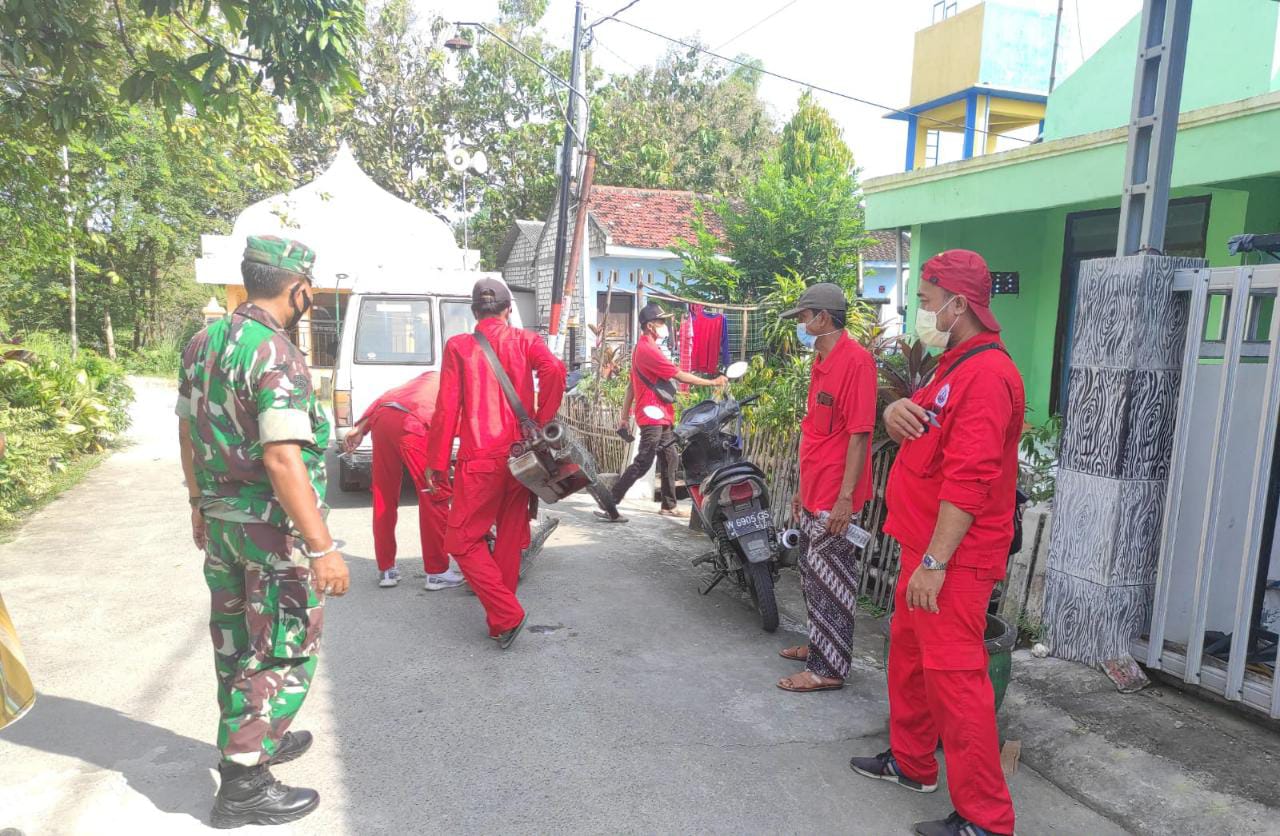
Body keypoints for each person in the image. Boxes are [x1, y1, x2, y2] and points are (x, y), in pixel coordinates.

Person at [849, 250, 1023, 836]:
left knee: (957, 683)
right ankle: (913, 762)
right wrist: (900, 406)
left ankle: (986, 820)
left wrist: (934, 563)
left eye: (925, 302)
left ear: (958, 304)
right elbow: (927, 424)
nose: (920, 312)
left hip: (952, 560)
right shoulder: (957, 364)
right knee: (910, 657)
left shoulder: (988, 375)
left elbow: (971, 481)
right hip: (926, 549)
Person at [177, 235, 349, 828]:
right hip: (272, 531)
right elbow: (283, 459)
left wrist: (198, 500)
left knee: (234, 640)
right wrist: (322, 547)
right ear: (298, 288)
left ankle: (257, 737)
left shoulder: (205, 340)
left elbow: (185, 429)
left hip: (223, 523)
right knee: (283, 645)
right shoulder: (274, 354)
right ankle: (245, 780)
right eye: (312, 289)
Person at [424, 278, 566, 649]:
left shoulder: (459, 346)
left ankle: (507, 614)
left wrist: (436, 462)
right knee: (508, 535)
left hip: (481, 459)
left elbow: (446, 408)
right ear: (508, 310)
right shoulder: (525, 340)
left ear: (475, 312)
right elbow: (554, 370)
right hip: (521, 457)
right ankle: (499, 620)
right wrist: (540, 418)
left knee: (460, 540)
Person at [775, 284, 877, 693]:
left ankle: (828, 668)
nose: (801, 325)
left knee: (833, 580)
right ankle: (820, 642)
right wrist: (802, 488)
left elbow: (859, 435)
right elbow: (815, 430)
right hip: (815, 489)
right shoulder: (822, 361)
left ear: (822, 318)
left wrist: (845, 498)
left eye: (803, 318)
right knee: (813, 576)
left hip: (837, 495)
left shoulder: (857, 363)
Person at [601, 302, 726, 523]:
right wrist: (712, 381)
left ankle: (668, 506)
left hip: (659, 413)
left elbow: (631, 384)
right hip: (652, 415)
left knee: (670, 457)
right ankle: (610, 502)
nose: (664, 325)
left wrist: (623, 416)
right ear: (650, 326)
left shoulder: (643, 346)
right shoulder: (649, 350)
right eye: (660, 321)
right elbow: (678, 375)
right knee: (644, 461)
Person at [341, 372, 464, 591]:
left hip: (382, 420)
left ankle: (386, 569)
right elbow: (450, 427)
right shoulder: (461, 386)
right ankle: (436, 573)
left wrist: (360, 428)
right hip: (413, 426)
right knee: (434, 494)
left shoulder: (428, 377)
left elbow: (386, 399)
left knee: (383, 496)